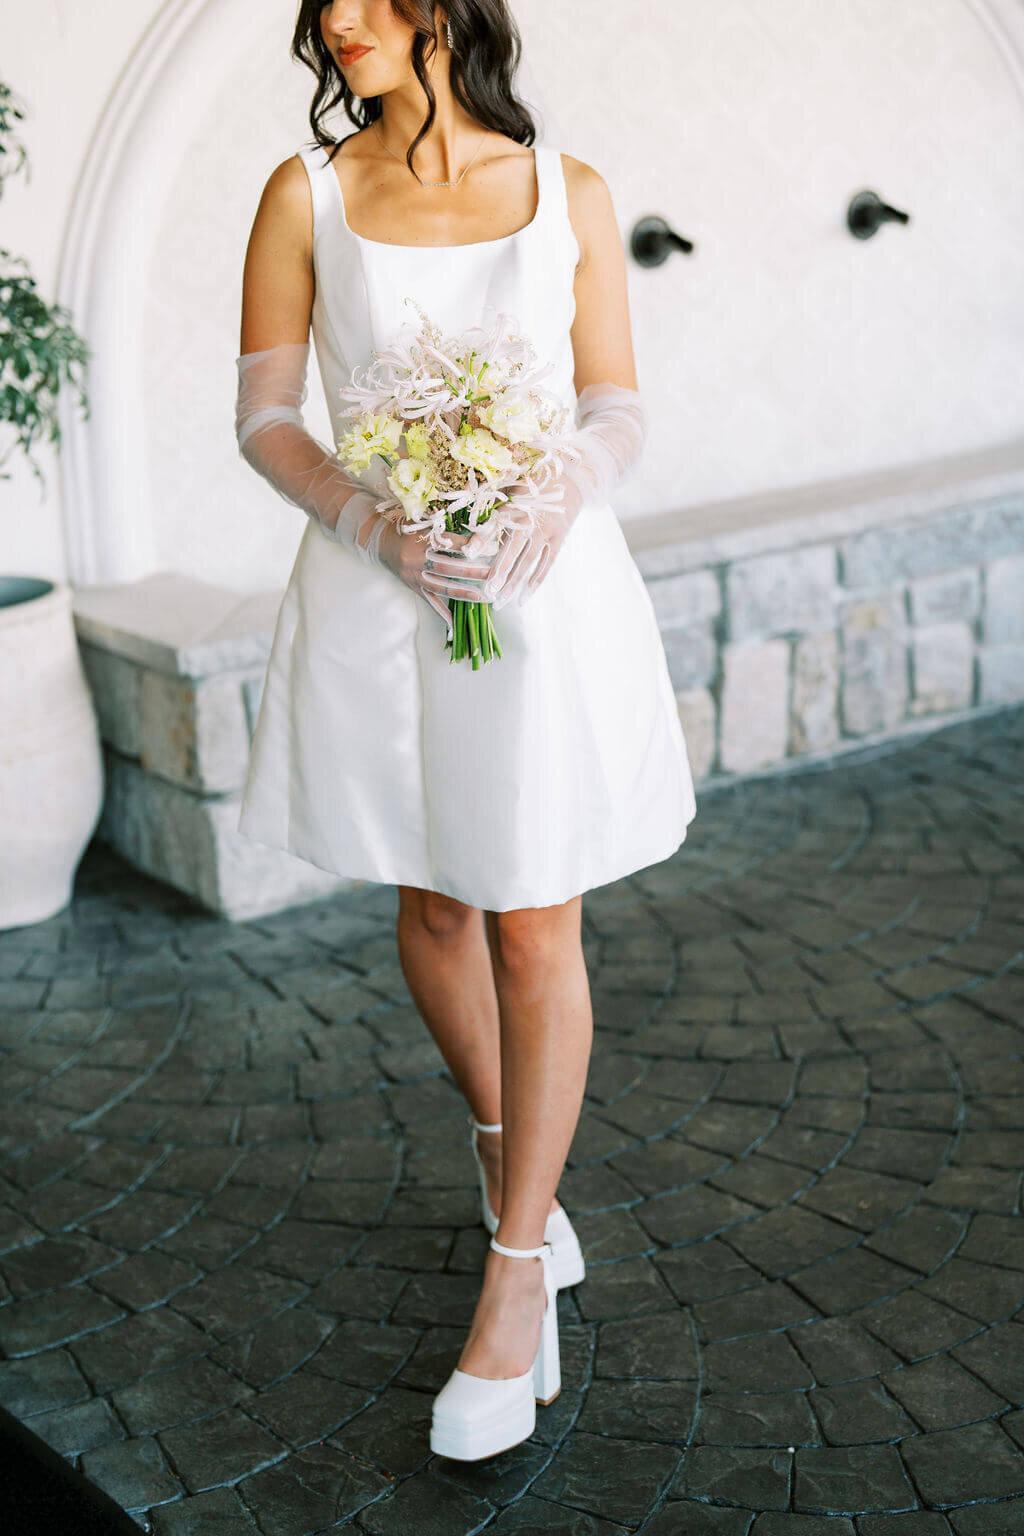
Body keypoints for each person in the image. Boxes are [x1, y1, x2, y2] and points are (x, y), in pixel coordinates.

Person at [233, 0, 698, 1462]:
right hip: (388, 600)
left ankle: (513, 1288)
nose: (335, 24)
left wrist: (555, 489)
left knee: (531, 920)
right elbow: (262, 415)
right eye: (323, 8)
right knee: (434, 904)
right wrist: (374, 512)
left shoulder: (569, 190)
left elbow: (616, 399)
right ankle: (521, 1171)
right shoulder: (302, 194)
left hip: (536, 599)